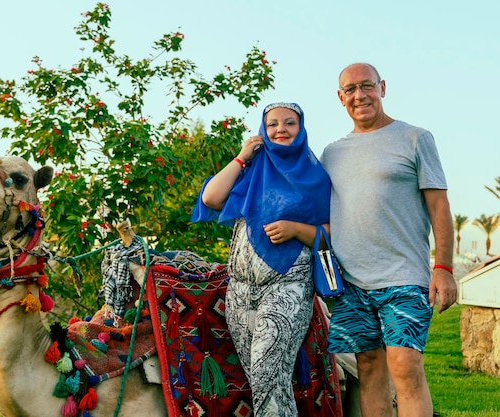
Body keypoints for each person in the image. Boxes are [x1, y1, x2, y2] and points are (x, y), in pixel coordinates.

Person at [321, 63, 457, 417]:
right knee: (366, 369)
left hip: (404, 275)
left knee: (405, 365)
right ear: (340, 98)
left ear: (382, 87)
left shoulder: (415, 138)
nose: (359, 95)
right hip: (351, 281)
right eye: (350, 90)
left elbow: (439, 206)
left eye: (366, 86)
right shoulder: (332, 153)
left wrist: (443, 267)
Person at [191, 102, 332, 416]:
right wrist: (242, 157)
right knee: (260, 379)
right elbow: (210, 198)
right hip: (240, 291)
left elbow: (334, 231)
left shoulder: (316, 177)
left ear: (302, 128)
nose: (280, 129)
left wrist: (296, 228)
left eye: (289, 123)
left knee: (267, 374)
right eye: (272, 124)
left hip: (287, 287)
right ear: (262, 130)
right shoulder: (251, 169)